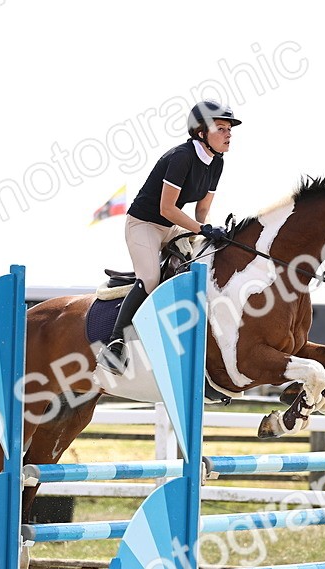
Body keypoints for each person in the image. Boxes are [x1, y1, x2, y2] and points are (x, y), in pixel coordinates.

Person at [100, 99, 240, 374]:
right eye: (221, 128)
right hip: (144, 224)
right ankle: (115, 343)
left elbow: (202, 210)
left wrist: (211, 230)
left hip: (173, 226)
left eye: (229, 129)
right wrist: (201, 229)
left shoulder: (216, 162)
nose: (228, 134)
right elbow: (167, 208)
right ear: (202, 132)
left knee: (209, 259)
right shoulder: (181, 157)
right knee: (151, 279)